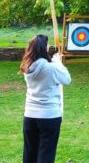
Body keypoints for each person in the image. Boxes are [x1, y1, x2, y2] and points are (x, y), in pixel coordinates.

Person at [19, 35, 71, 163]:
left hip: (30, 116)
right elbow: (67, 79)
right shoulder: (52, 68)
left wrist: (54, 62)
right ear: (43, 48)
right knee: (46, 155)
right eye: (47, 45)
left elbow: (43, 68)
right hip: (49, 116)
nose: (49, 47)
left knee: (30, 154)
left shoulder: (27, 68)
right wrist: (59, 63)